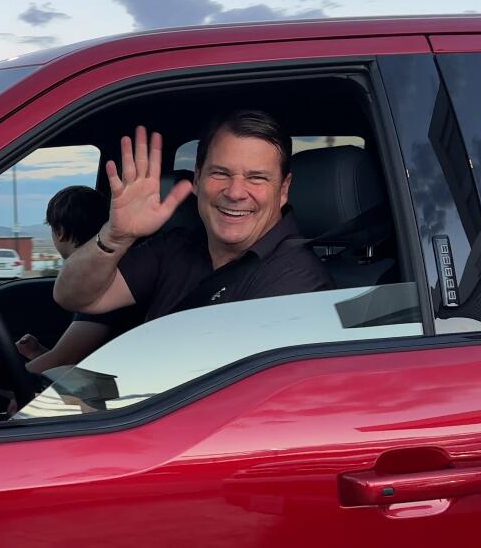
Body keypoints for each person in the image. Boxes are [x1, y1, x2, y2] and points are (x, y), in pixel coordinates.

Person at [53, 110, 332, 330]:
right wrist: (115, 236)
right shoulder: (177, 245)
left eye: (256, 177)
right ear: (197, 179)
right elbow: (74, 297)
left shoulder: (298, 281)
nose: (235, 192)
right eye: (220, 173)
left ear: (283, 189)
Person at [17, 185, 141, 374]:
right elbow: (73, 360)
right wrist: (37, 353)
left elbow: (65, 360)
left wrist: (15, 386)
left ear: (59, 232)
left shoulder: (96, 281)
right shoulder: (120, 270)